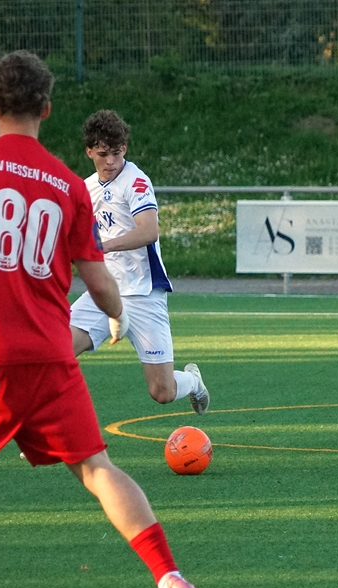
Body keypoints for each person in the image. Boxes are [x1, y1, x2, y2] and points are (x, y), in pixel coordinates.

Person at [0, 51, 214, 588]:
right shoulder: (70, 184)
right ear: (46, 109)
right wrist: (117, 315)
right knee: (97, 468)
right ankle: (170, 578)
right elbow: (98, 280)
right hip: (51, 352)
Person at [71, 110, 210, 414]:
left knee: (162, 391)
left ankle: (193, 382)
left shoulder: (136, 181)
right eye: (103, 154)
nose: (111, 161)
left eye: (117, 152)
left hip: (143, 293)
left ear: (125, 148)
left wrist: (101, 247)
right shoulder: (84, 189)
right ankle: (48, 432)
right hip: (104, 292)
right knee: (58, 352)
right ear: (89, 151)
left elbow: (148, 231)